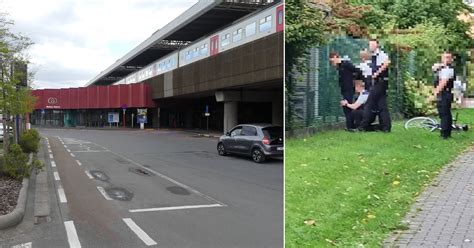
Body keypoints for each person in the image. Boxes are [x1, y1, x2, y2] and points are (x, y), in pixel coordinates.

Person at [358, 39, 392, 132]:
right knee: (382, 105)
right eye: (370, 45)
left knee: (369, 103)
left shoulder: (381, 55)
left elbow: (387, 63)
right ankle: (386, 127)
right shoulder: (373, 56)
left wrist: (376, 73)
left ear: (377, 45)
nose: (371, 47)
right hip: (379, 82)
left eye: (373, 45)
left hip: (380, 81)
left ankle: (363, 126)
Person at [329, 52, 359, 130]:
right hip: (344, 89)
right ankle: (350, 125)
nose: (332, 63)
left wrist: (354, 81)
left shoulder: (346, 64)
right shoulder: (340, 66)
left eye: (332, 61)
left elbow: (357, 70)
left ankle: (350, 126)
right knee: (345, 107)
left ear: (335, 57)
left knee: (347, 106)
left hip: (349, 89)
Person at [429, 52, 455, 139]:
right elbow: (434, 68)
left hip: (445, 92)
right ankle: (447, 132)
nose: (446, 59)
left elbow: (443, 82)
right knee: (445, 113)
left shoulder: (448, 70)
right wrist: (441, 65)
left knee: (444, 113)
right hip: (444, 93)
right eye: (444, 58)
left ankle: (444, 133)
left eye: (448, 58)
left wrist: (435, 93)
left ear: (451, 59)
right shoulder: (442, 68)